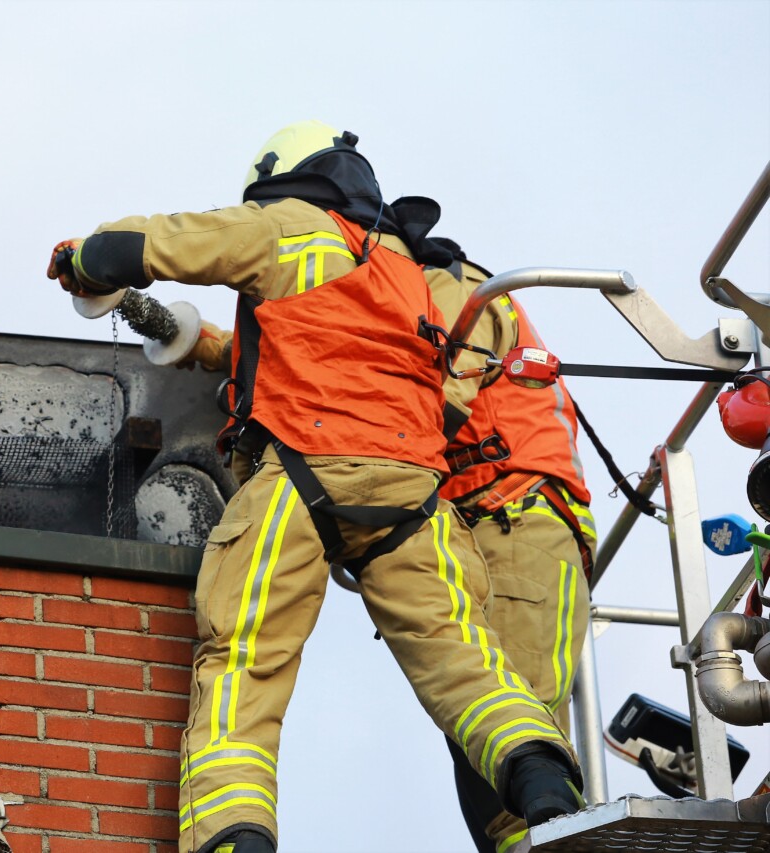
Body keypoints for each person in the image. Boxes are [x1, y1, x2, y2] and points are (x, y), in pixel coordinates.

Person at [47, 121, 583, 853]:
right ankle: (541, 777)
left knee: (245, 660)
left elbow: (160, 243)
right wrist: (204, 344)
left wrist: (84, 260)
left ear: (282, 181)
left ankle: (233, 835)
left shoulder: (288, 227)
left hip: (302, 478)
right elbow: (338, 345)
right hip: (413, 494)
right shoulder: (408, 272)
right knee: (464, 656)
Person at [421, 237, 596, 853]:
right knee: (481, 729)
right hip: (486, 528)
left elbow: (418, 401)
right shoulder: (430, 294)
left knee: (519, 733)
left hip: (515, 521)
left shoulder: (451, 294)